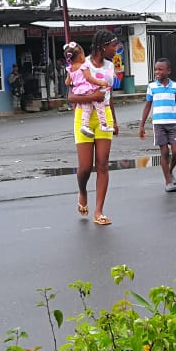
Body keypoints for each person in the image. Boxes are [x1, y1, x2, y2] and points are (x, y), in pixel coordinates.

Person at [68, 29, 120, 226]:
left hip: (103, 115)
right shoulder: (83, 64)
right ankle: (82, 191)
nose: (115, 50)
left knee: (102, 164)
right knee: (85, 167)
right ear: (102, 46)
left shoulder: (109, 67)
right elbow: (71, 97)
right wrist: (92, 97)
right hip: (84, 115)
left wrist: (114, 120)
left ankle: (99, 212)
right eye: (113, 46)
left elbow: (109, 96)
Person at [139, 58, 176, 192]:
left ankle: (170, 171)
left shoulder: (174, 86)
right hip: (158, 125)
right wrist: (142, 125)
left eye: (160, 69)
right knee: (164, 152)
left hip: (172, 124)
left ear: (168, 71)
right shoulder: (152, 87)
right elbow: (147, 106)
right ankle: (168, 182)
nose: (157, 72)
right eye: (156, 69)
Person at [64, 41, 114, 134]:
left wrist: (74, 82)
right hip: (87, 89)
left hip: (78, 91)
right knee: (99, 105)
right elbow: (89, 78)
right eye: (83, 54)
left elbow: (67, 82)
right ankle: (103, 125)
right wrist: (100, 82)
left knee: (87, 109)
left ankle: (84, 125)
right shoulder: (84, 66)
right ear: (80, 56)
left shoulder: (70, 68)